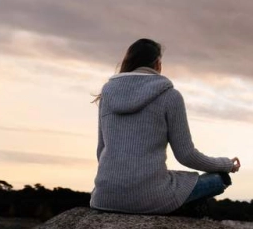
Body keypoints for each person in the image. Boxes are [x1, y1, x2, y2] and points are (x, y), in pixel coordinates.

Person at [90, 38, 240, 214]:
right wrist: (225, 164)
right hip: (150, 198)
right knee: (219, 178)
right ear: (158, 64)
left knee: (176, 178)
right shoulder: (170, 96)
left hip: (105, 197)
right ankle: (178, 208)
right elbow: (186, 155)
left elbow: (101, 151)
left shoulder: (107, 95)